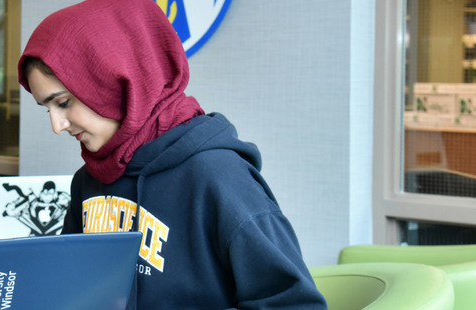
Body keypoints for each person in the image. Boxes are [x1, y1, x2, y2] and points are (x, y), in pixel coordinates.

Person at [17, 0, 327, 309]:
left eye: (64, 102)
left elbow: (295, 305)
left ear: (112, 80)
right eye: (47, 108)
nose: (57, 126)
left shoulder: (218, 176)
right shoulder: (87, 182)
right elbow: (75, 290)